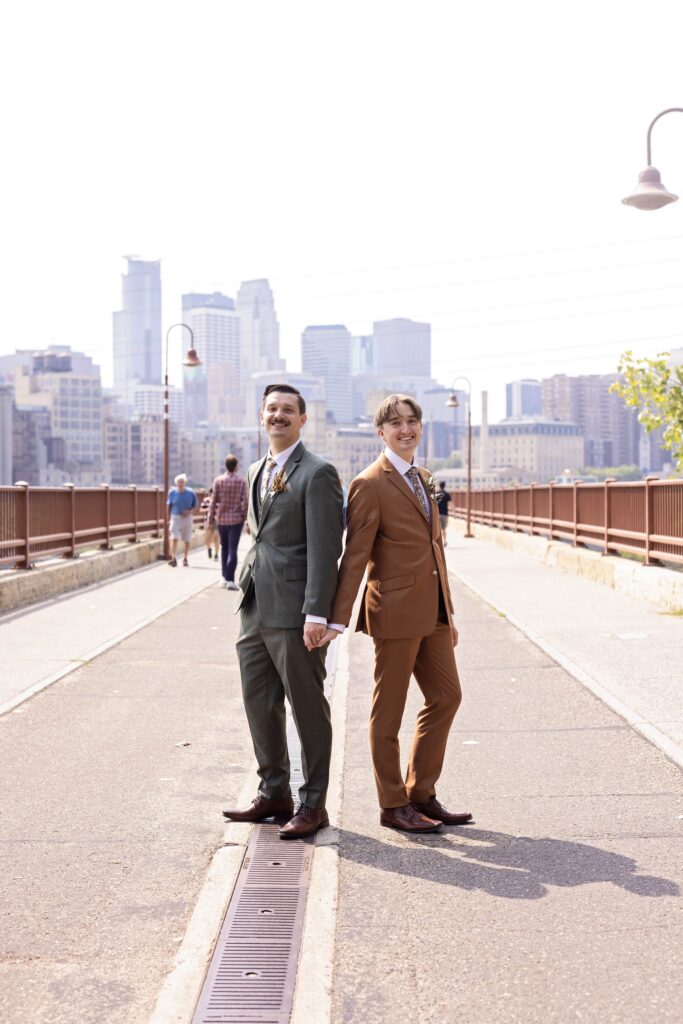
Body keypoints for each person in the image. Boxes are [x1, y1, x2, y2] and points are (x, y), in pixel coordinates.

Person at [320, 394, 472, 834]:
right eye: (396, 424)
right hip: (396, 610)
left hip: (434, 612)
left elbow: (435, 550)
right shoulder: (370, 483)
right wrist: (336, 618)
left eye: (412, 421)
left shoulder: (421, 477)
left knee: (446, 696)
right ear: (380, 432)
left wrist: (450, 610)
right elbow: (356, 556)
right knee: (388, 713)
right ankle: (392, 804)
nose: (406, 429)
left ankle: (421, 793)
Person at [222, 384, 344, 840]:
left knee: (307, 707)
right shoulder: (256, 468)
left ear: (302, 419)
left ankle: (313, 804)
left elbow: (325, 548)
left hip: (295, 611)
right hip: (253, 602)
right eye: (272, 409)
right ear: (261, 415)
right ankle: (274, 792)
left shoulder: (318, 473)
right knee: (259, 702)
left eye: (287, 410)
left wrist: (318, 613)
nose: (278, 416)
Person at [208, 454, 248, 590]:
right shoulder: (241, 481)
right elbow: (246, 501)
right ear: (236, 466)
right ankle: (230, 579)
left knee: (224, 548)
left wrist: (210, 518)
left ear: (226, 466)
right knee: (233, 549)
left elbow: (213, 501)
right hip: (236, 520)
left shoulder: (218, 481)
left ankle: (224, 578)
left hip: (222, 519)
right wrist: (245, 517)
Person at [167, 473, 198, 567]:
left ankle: (185, 558)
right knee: (174, 537)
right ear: (176, 483)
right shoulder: (172, 493)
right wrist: (168, 518)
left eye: (182, 482)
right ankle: (173, 557)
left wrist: (189, 511)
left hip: (187, 518)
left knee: (186, 538)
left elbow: (195, 505)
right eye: (179, 482)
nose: (180, 484)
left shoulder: (191, 493)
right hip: (175, 517)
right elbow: (169, 505)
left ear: (185, 483)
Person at [201, 488, 220, 560]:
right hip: (207, 521)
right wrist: (209, 509)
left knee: (216, 537)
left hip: (217, 520)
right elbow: (201, 510)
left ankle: (216, 554)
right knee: (207, 538)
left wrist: (217, 510)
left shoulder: (219, 501)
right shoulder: (206, 500)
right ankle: (209, 548)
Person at [436, 480, 451, 546]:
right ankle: (445, 541)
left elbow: (433, 504)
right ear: (444, 486)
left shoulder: (437, 493)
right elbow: (450, 504)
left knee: (437, 529)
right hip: (445, 514)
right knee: (444, 529)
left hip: (437, 514)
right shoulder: (447, 494)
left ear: (439, 486)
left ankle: (439, 542)